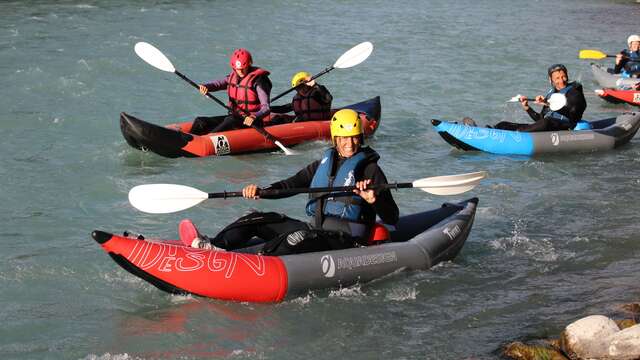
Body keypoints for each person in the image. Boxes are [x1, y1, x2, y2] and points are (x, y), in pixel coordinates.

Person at [178, 109, 399, 255]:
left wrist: (374, 199)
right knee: (256, 218)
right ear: (335, 138)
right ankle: (213, 246)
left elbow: (392, 217)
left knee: (296, 238)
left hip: (346, 242)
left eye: (353, 138)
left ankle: (247, 262)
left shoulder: (370, 169)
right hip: (317, 230)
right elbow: (291, 184)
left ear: (360, 137)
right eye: (343, 138)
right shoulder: (323, 163)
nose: (349, 144)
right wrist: (263, 191)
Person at [190, 48, 272, 135]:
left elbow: (266, 108)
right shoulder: (233, 77)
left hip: (253, 121)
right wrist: (205, 86)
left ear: (249, 64)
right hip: (235, 117)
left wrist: (254, 116)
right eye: (237, 69)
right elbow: (217, 84)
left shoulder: (259, 80)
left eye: (243, 68)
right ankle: (188, 142)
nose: (240, 71)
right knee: (200, 121)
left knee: (231, 120)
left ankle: (207, 140)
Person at [491, 64, 587, 132]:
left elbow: (574, 115)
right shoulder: (551, 94)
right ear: (551, 80)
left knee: (547, 122)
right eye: (557, 78)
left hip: (565, 126)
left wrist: (548, 103)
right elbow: (540, 120)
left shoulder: (574, 92)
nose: (561, 81)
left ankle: (518, 134)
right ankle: (491, 130)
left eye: (563, 77)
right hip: (548, 125)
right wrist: (527, 108)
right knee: (503, 124)